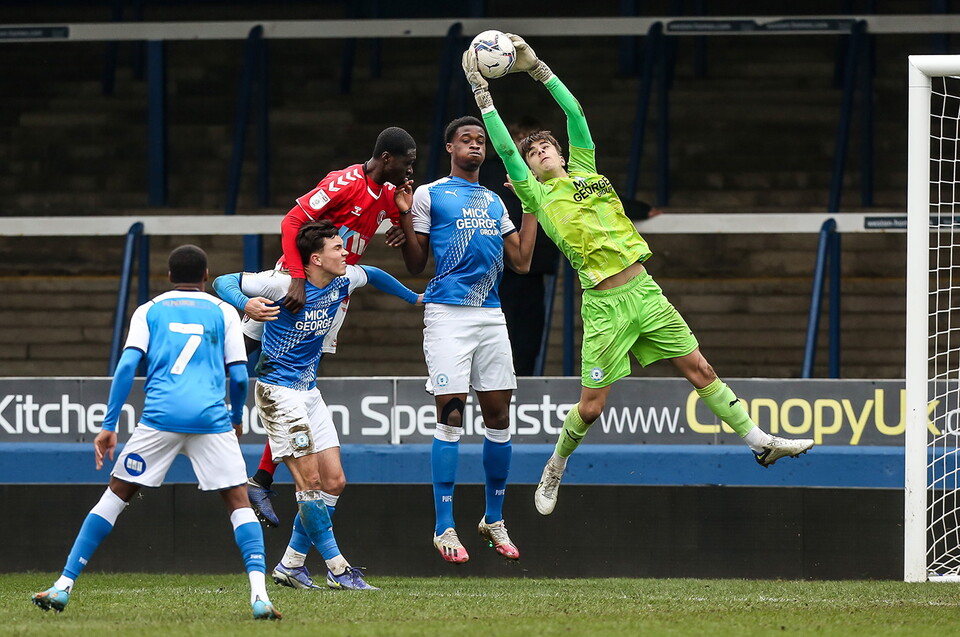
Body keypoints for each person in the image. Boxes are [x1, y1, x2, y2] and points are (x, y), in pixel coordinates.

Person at [462, 34, 815, 517]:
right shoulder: (536, 198)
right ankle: (555, 467)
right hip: (604, 307)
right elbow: (503, 146)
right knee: (590, 408)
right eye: (532, 152)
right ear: (525, 170)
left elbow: (576, 115)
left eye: (546, 145)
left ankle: (759, 442)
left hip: (646, 292)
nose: (541, 150)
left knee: (701, 370)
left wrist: (538, 67)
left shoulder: (585, 167)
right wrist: (482, 93)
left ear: (562, 153)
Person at [31, 245, 280, 620]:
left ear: (168, 277)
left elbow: (128, 364)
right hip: (211, 419)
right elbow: (240, 373)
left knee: (115, 497)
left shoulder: (148, 310)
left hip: (161, 418)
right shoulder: (224, 311)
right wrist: (235, 415)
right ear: (207, 276)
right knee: (239, 502)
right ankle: (260, 596)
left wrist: (109, 425)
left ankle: (64, 585)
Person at [214, 220, 422, 590]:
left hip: (310, 393)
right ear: (316, 258)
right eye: (338, 249)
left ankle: (291, 564)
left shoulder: (342, 279)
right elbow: (223, 281)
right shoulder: (281, 284)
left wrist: (415, 298)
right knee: (308, 482)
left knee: (334, 481)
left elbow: (373, 273)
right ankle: (339, 570)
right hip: (278, 394)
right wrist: (245, 303)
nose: (345, 253)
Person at [243, 126, 417, 528]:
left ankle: (262, 478)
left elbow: (409, 254)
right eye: (407, 162)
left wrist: (402, 216)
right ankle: (215, 424)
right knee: (240, 350)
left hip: (333, 298)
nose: (411, 171)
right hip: (292, 288)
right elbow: (291, 222)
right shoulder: (344, 182)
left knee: (296, 386)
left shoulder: (391, 196)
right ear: (387, 159)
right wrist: (298, 278)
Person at [396, 115, 538, 563]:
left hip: (491, 315)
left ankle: (493, 519)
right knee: (452, 415)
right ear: (450, 148)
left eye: (480, 141)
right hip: (447, 314)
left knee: (498, 416)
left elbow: (521, 261)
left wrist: (531, 206)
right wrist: (402, 216)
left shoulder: (495, 201)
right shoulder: (429, 194)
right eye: (466, 140)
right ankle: (444, 526)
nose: (475, 145)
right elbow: (417, 264)